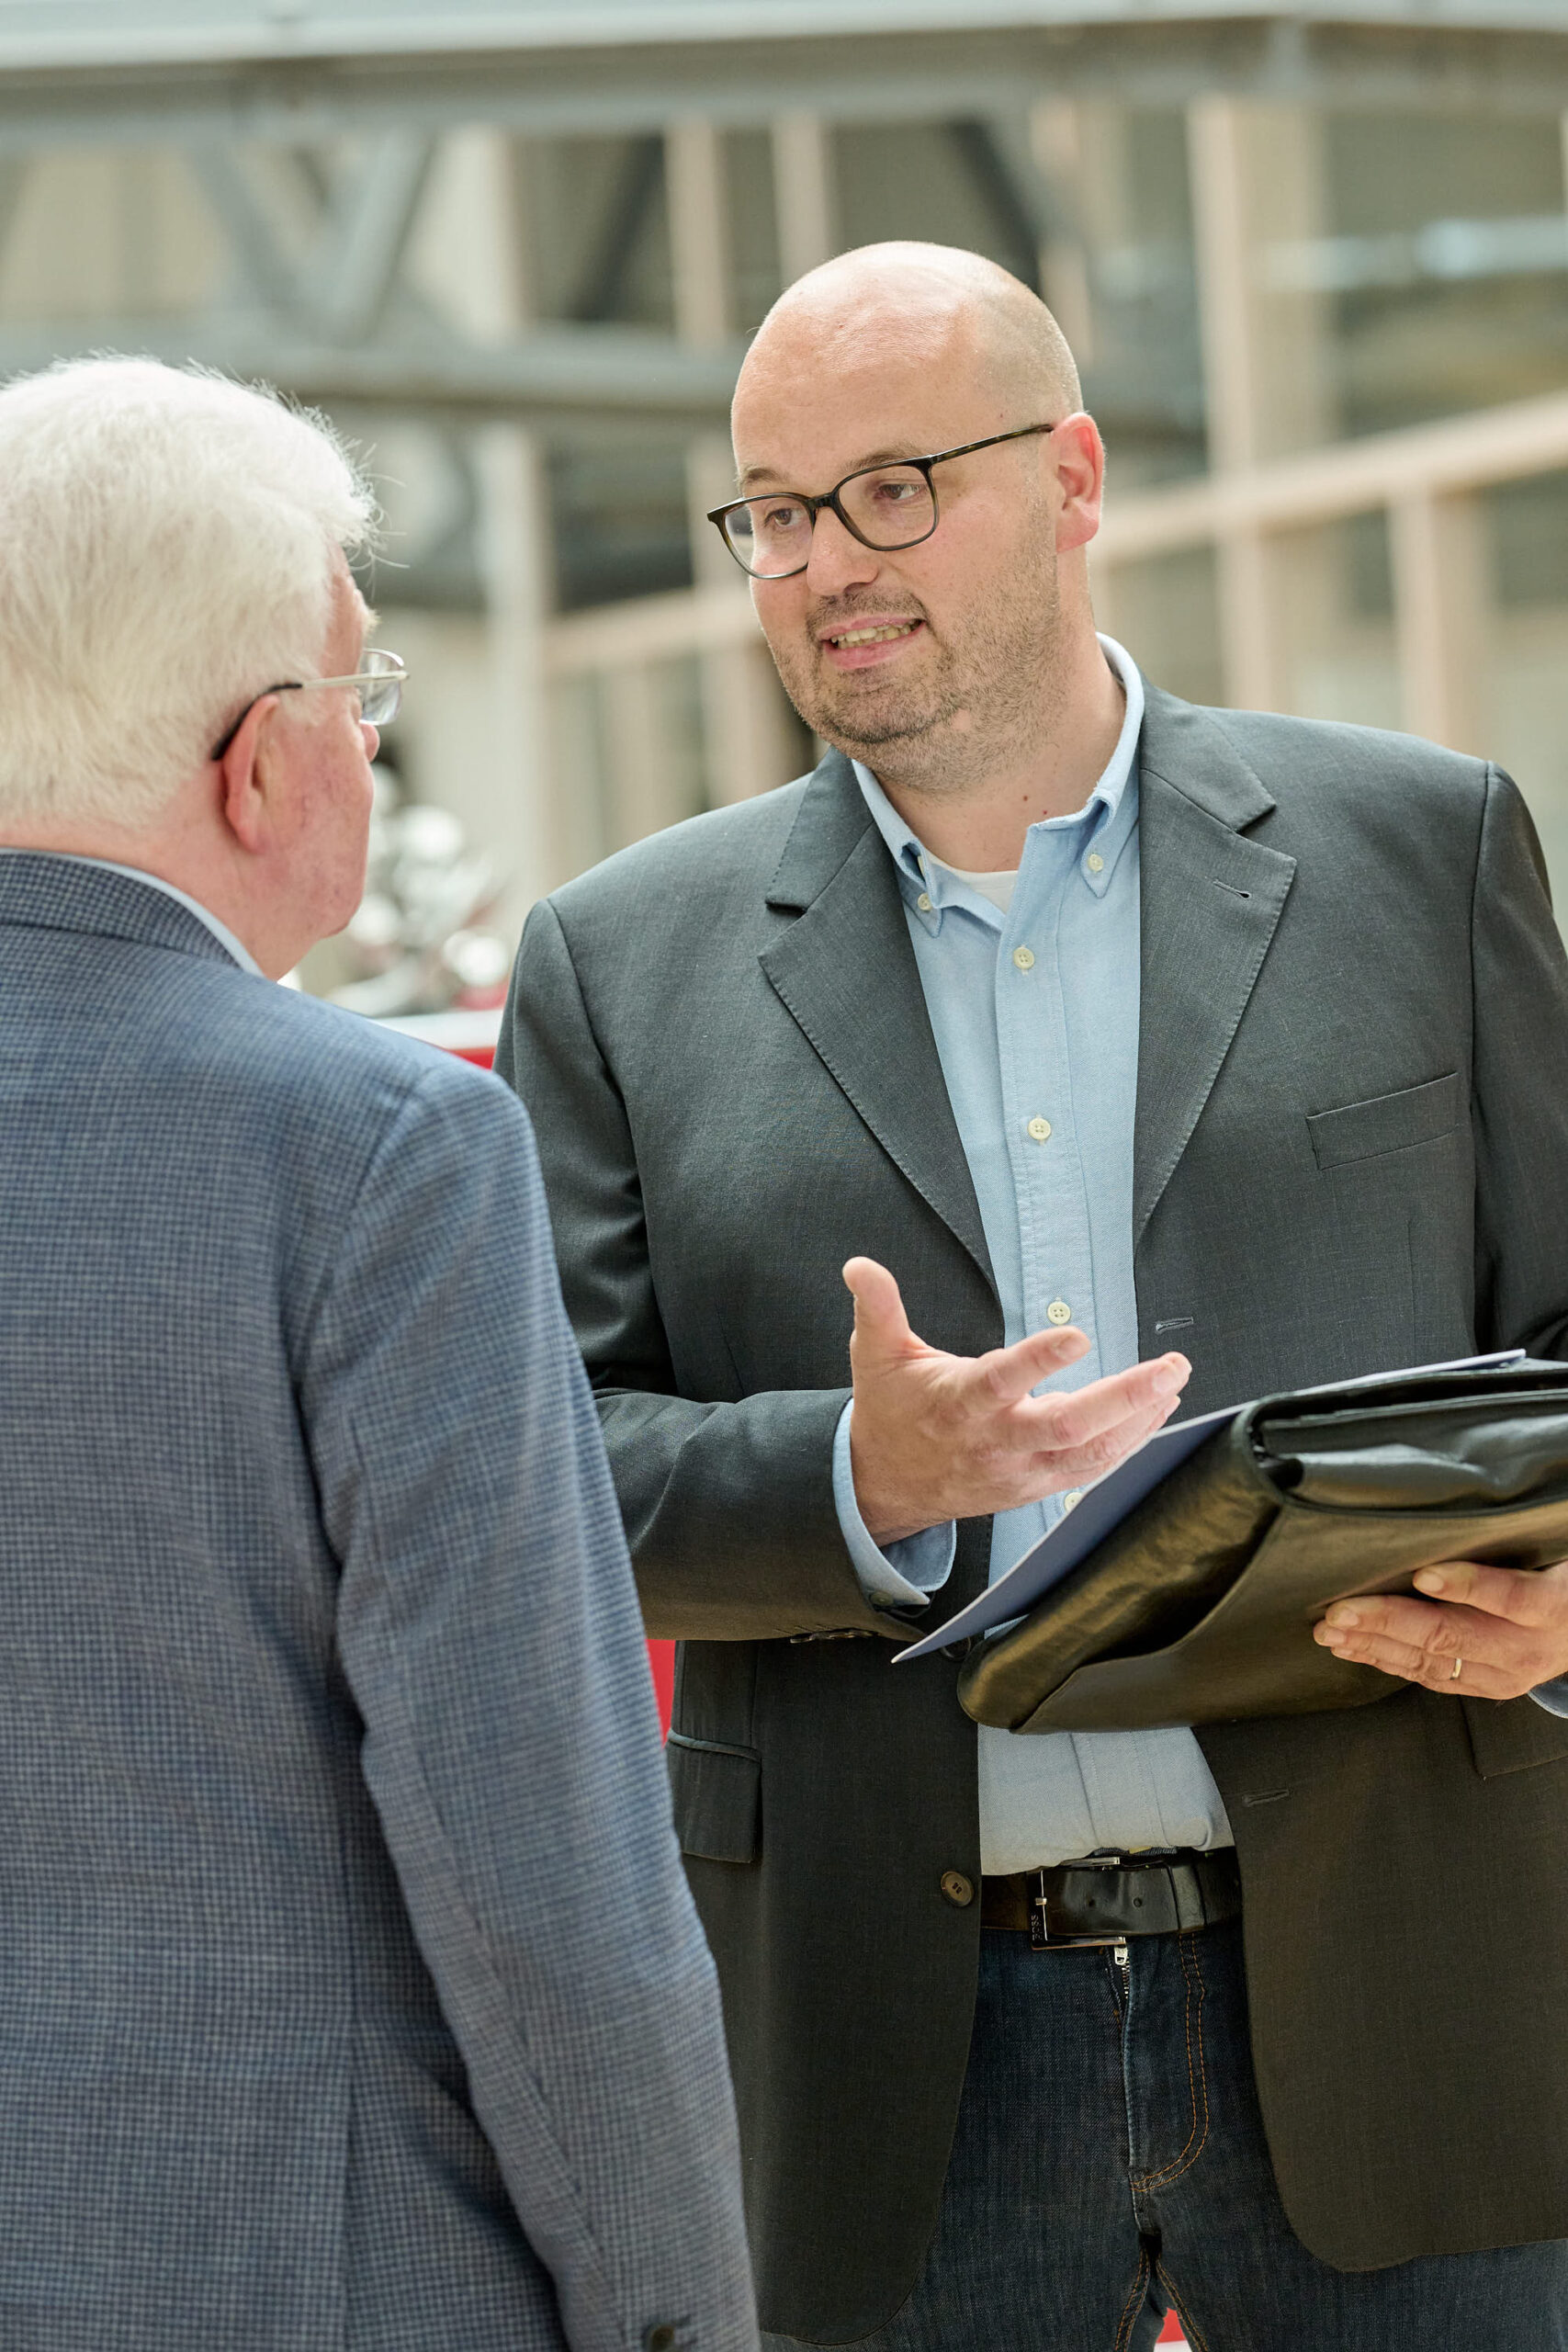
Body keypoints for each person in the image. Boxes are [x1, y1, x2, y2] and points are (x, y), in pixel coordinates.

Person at [498, 242, 1568, 2350]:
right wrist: (848, 1476)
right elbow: (533, 1473)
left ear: (1072, 476)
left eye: (893, 486)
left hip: (1396, 1983)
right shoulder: (615, 962)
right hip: (892, 2050)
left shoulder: (1419, 849)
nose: (825, 562)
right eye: (778, 511)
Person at [0, 356, 758, 2352]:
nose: (368, 746)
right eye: (364, 696)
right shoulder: (377, 1150)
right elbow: (545, 1879)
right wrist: (675, 2314)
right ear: (261, 760)